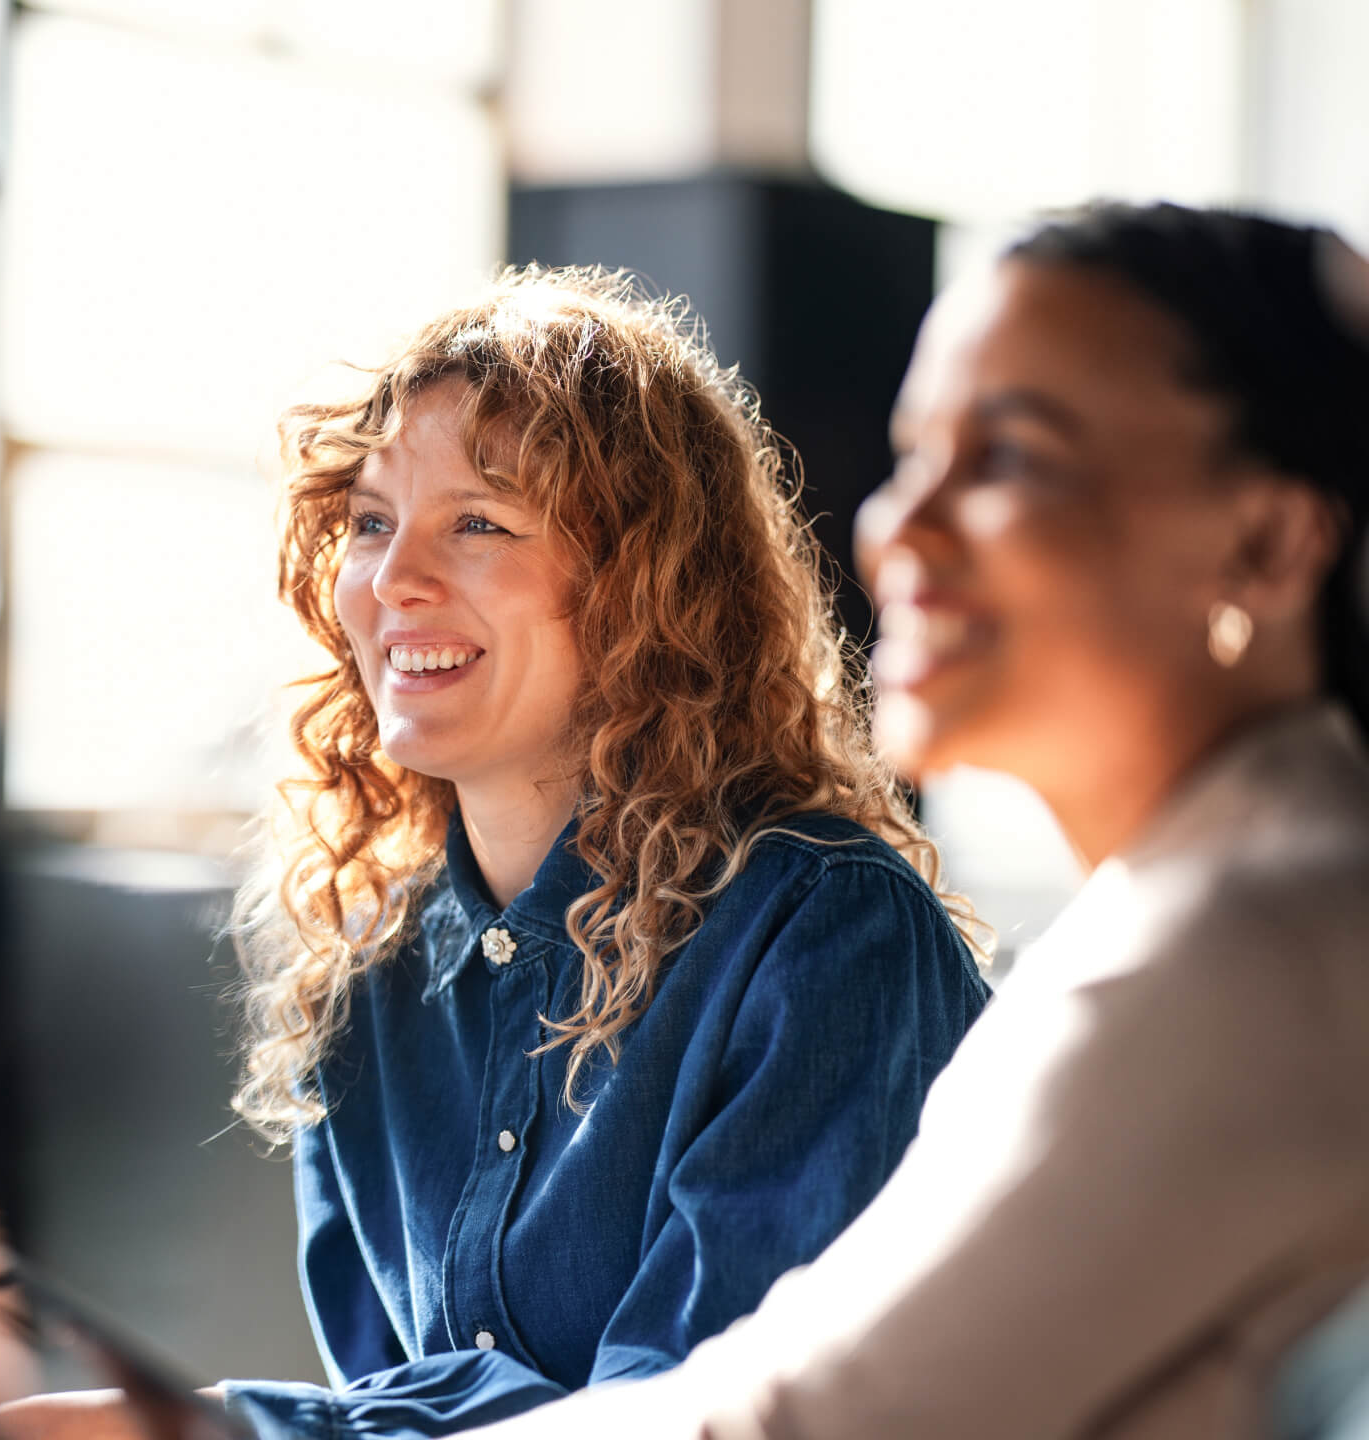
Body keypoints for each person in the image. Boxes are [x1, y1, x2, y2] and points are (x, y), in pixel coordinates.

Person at [0, 267, 988, 1440]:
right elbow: (400, 1405)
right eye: (370, 523)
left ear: (643, 591)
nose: (396, 579)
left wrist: (206, 1430)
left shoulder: (825, 933)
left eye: (479, 522)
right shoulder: (369, 976)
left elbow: (698, 1418)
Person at [434, 202, 1369, 1439]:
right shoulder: (1223, 897)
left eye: (1011, 459)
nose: (897, 530)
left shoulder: (1242, 946)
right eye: (915, 455)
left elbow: (801, 1421)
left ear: (1267, 541)